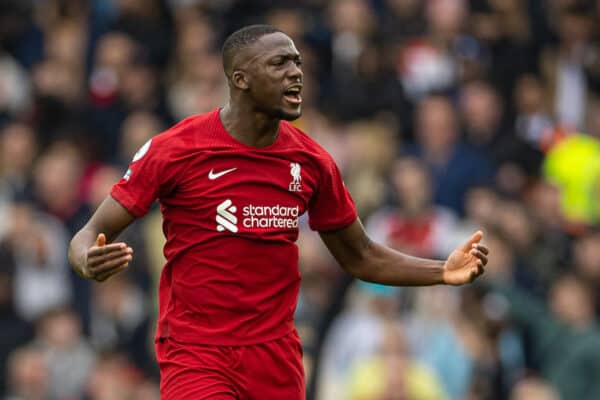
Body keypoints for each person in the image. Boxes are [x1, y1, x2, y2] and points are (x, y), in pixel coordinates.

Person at [68, 25, 489, 400]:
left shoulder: (312, 162)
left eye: (298, 63)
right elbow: (88, 234)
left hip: (275, 358)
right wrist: (88, 260)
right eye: (279, 63)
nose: (296, 72)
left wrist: (442, 271)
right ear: (241, 79)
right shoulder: (176, 149)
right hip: (197, 353)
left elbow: (361, 256)